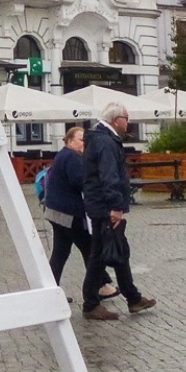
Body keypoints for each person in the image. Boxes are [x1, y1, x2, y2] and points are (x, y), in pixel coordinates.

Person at [81, 102, 155, 321]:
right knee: (99, 256)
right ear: (116, 120)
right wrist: (115, 206)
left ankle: (133, 297)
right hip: (105, 207)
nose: (128, 121)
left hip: (102, 204)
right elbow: (109, 175)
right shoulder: (105, 141)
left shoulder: (101, 138)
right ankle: (90, 303)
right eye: (126, 117)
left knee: (119, 251)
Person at [41, 127, 116, 299]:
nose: (84, 143)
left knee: (61, 252)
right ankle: (101, 286)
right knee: (89, 248)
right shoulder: (72, 157)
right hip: (69, 214)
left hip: (56, 212)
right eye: (81, 139)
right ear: (69, 140)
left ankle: (50, 292)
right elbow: (79, 182)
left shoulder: (63, 155)